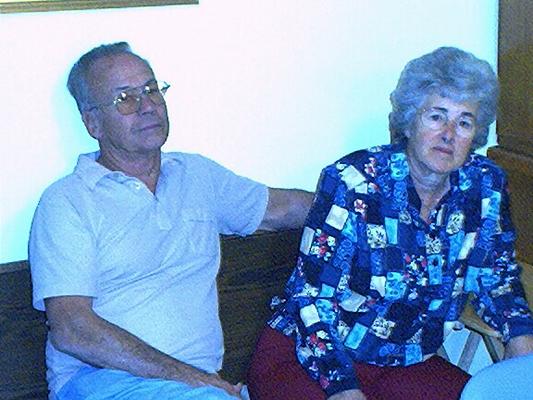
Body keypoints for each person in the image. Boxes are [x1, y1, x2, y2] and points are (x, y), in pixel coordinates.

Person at [29, 42, 313, 400]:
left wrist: (365, 191)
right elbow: (72, 329)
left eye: (151, 89)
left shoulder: (196, 175)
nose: (147, 105)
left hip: (194, 389)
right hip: (99, 382)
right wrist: (196, 380)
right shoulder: (68, 200)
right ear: (92, 123)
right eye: (125, 99)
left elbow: (284, 209)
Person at [247, 47, 533, 400]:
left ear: (475, 134)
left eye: (464, 122)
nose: (448, 134)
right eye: (436, 117)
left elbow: (498, 276)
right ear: (409, 121)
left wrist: (520, 335)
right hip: (310, 357)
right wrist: (343, 389)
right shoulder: (355, 183)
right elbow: (312, 299)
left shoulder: (485, 187)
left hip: (407, 363)